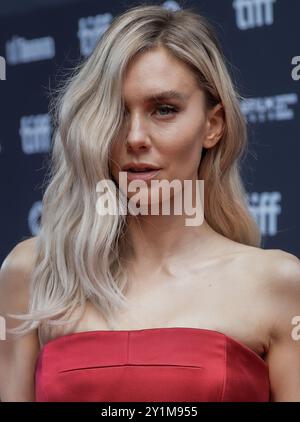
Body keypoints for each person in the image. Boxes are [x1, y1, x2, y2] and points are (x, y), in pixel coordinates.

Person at [1, 4, 300, 402]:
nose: (135, 136)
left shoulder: (277, 284)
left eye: (164, 110)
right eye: (116, 112)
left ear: (213, 125)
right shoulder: (34, 273)